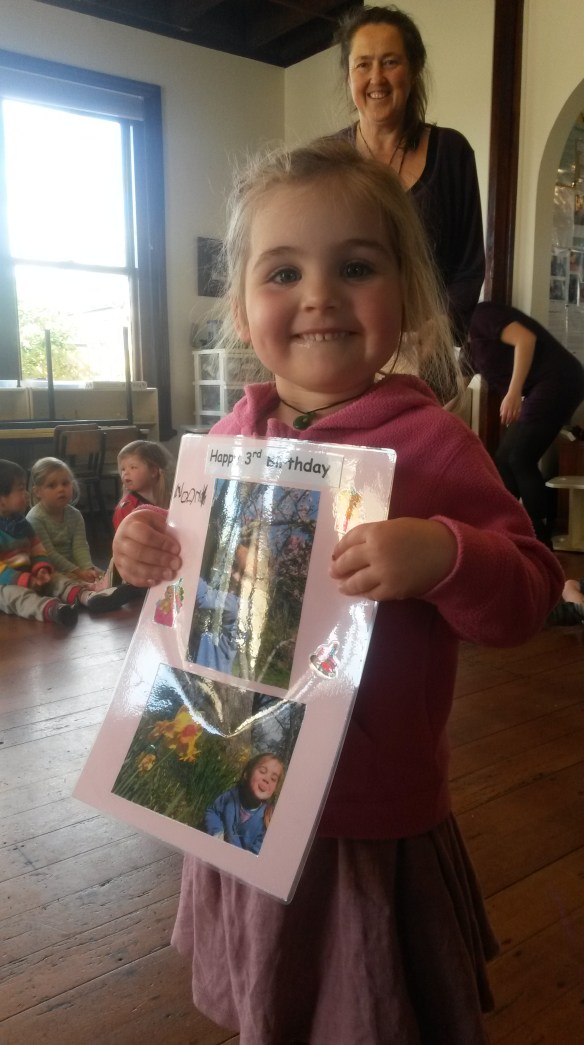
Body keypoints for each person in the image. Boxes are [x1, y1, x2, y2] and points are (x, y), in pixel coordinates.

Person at [112, 139, 563, 1044]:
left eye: (355, 266)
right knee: (270, 993)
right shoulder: (229, 435)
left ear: (407, 296)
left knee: (365, 1003)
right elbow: (191, 590)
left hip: (363, 819)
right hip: (232, 784)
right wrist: (146, 547)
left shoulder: (430, 444)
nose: (318, 294)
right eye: (283, 271)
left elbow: (532, 592)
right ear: (242, 309)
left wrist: (446, 555)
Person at [331, 4, 485, 346]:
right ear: (348, 76)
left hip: (426, 355)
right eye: (362, 65)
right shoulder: (328, 161)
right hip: (346, 349)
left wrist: (444, 324)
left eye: (390, 62)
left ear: (413, 71)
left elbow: (469, 266)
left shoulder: (450, 153)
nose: (377, 78)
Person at [466, 301, 584, 547]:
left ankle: (539, 537)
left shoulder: (483, 314)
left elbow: (525, 339)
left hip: (558, 380)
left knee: (520, 457)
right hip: (543, 387)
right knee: (503, 459)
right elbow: (458, 387)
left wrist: (513, 393)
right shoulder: (469, 348)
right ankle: (509, 530)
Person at [27, 456, 102, 582]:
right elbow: (49, 554)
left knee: (104, 576)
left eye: (65, 483)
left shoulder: (75, 515)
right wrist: (78, 572)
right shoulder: (35, 518)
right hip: (48, 568)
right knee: (72, 585)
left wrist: (88, 568)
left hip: (74, 565)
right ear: (37, 492)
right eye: (52, 485)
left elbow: (80, 547)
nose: (61, 489)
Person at [204, 752, 285, 855]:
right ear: (247, 774)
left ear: (275, 789)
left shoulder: (267, 822)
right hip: (213, 851)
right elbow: (213, 812)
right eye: (262, 771)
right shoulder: (231, 797)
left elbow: (255, 856)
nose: (267, 779)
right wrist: (217, 833)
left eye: (273, 779)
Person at [191, 541, 250, 672]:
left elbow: (202, 596)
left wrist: (187, 564)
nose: (235, 576)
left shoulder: (237, 605)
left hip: (208, 674)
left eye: (245, 575)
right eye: (234, 565)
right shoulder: (243, 605)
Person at [113, 440, 174, 530]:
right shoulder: (125, 508)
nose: (125, 473)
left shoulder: (172, 500)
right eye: (123, 469)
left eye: (133, 467)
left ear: (153, 471)